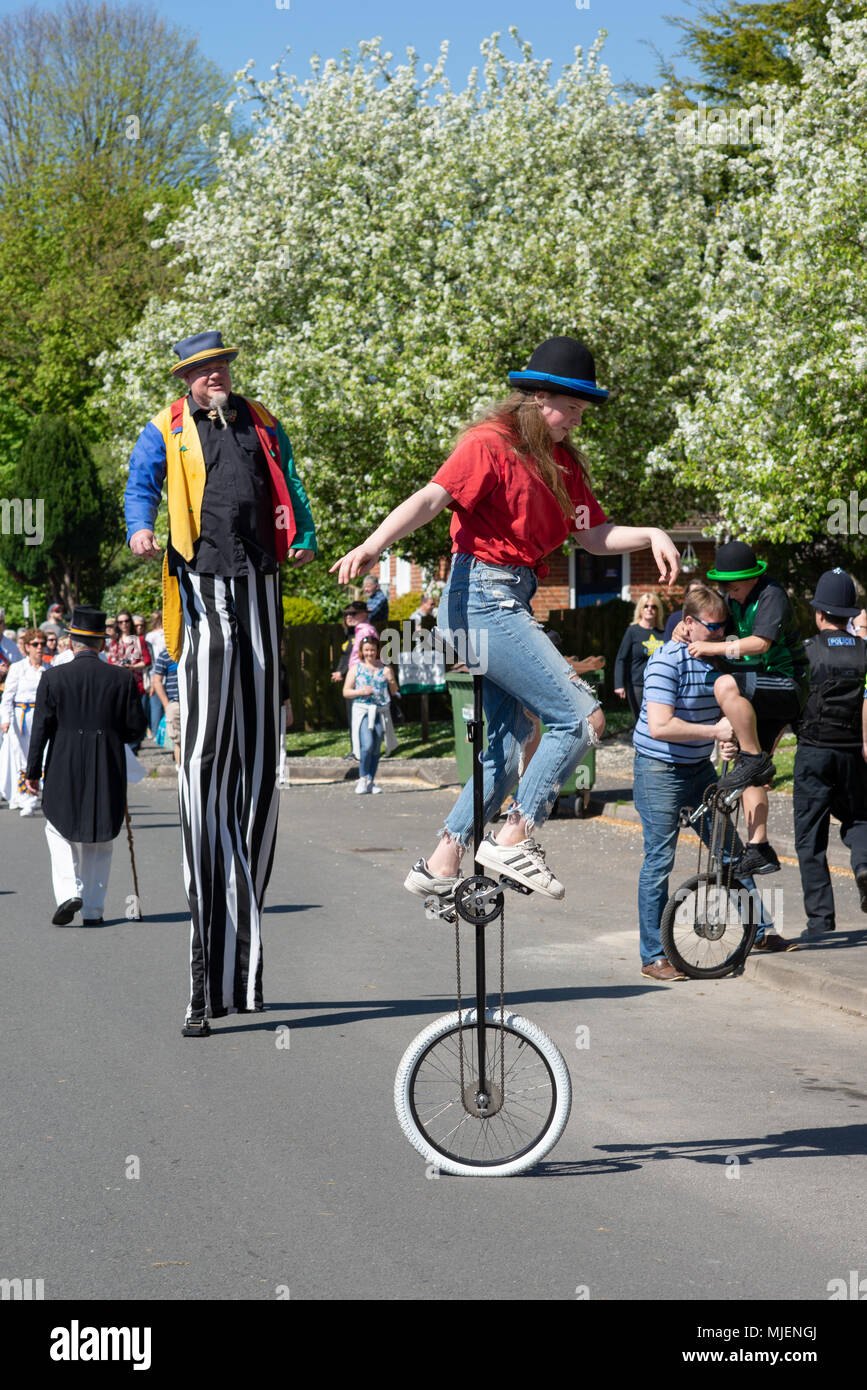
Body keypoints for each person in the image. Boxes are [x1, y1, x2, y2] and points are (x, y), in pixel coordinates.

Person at [332, 334, 680, 901]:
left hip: (504, 601)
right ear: (539, 398)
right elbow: (430, 498)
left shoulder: (564, 464)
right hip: (480, 597)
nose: (576, 422)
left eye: (582, 413)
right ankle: (514, 837)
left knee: (510, 744)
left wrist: (653, 534)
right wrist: (375, 545)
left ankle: (443, 861)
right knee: (580, 719)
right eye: (570, 410)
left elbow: (592, 536)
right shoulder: (489, 444)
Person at [124, 329, 317, 1036]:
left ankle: (245, 973)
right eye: (203, 371)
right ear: (186, 378)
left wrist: (302, 531)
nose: (216, 377)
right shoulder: (165, 428)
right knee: (205, 771)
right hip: (201, 589)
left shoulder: (261, 420)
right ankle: (204, 983)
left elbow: (288, 480)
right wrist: (140, 529)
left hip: (259, 585)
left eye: (222, 367)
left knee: (259, 769)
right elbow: (139, 488)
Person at [685, 541, 809, 878]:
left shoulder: (772, 596)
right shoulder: (731, 599)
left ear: (752, 578)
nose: (731, 594)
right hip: (759, 687)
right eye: (726, 588)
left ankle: (755, 760)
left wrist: (715, 646)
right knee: (747, 768)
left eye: (735, 587)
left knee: (725, 685)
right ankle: (760, 848)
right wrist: (689, 629)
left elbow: (760, 643)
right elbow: (713, 625)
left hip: (786, 684)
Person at [24, 607, 147, 925]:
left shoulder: (52, 677)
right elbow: (135, 729)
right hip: (106, 761)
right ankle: (93, 907)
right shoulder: (120, 678)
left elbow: (41, 730)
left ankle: (68, 893)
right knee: (100, 837)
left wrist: (33, 773)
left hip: (64, 760)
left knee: (57, 828)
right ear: (102, 644)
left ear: (71, 641)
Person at [792, 569, 867, 938]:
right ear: (851, 615)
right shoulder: (866, 652)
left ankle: (821, 924)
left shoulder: (805, 653)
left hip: (813, 752)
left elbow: (788, 702)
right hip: (855, 754)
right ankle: (864, 864)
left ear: (819, 614)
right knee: (860, 819)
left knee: (810, 838)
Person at [343, 634, 399, 794]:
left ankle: (370, 781)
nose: (369, 653)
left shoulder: (386, 669)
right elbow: (346, 692)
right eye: (366, 650)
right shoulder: (356, 669)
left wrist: (391, 680)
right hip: (363, 710)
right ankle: (362, 779)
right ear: (361, 651)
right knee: (366, 745)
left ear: (378, 650)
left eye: (372, 650)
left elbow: (394, 692)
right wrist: (361, 691)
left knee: (376, 748)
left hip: (381, 711)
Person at [0, 628, 47, 815]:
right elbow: (8, 698)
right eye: (35, 644)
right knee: (22, 757)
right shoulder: (18, 668)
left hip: (42, 717)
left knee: (41, 756)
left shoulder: (49, 669)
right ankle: (26, 797)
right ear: (27, 647)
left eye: (42, 644)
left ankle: (39, 793)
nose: (39, 648)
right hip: (21, 718)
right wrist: (6, 720)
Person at [614, 592, 666, 719]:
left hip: (659, 683)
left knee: (658, 719)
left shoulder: (663, 633)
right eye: (646, 606)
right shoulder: (632, 631)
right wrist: (619, 685)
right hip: (637, 684)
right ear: (640, 609)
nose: (650, 609)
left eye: (654, 607)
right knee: (641, 719)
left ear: (658, 610)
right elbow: (621, 658)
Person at [151, 646, 182, 768]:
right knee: (178, 742)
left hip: (195, 703)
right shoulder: (166, 653)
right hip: (175, 703)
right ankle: (181, 773)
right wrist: (166, 705)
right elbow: (157, 680)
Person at [663, 576, 706, 642]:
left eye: (700, 592)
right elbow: (667, 646)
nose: (697, 596)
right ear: (687, 596)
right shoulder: (675, 618)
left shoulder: (712, 618)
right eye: (693, 593)